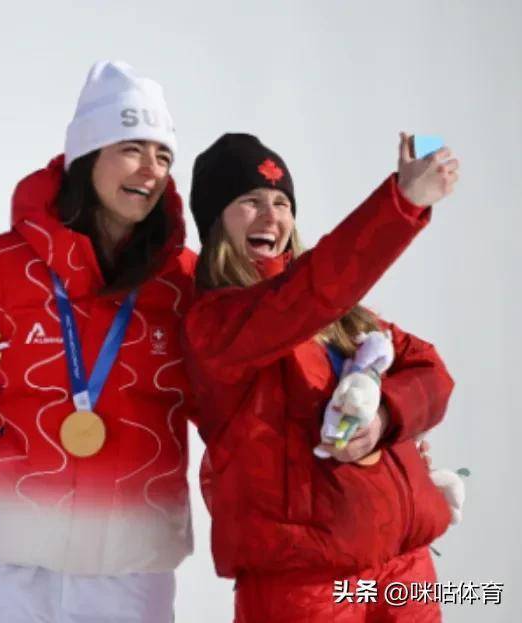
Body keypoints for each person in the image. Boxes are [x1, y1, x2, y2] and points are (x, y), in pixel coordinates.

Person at [0, 61, 197, 623]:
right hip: (0, 570)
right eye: (132, 149)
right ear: (87, 155)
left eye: (164, 155)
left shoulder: (183, 282)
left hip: (132, 577)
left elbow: (238, 403)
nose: (151, 169)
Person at [184, 132, 459, 621]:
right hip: (307, 587)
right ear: (215, 221)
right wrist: (401, 204)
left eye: (281, 203)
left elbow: (430, 370)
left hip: (405, 571)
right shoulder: (217, 326)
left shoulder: (340, 315)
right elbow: (307, 294)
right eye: (250, 201)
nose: (272, 217)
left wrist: (385, 416)